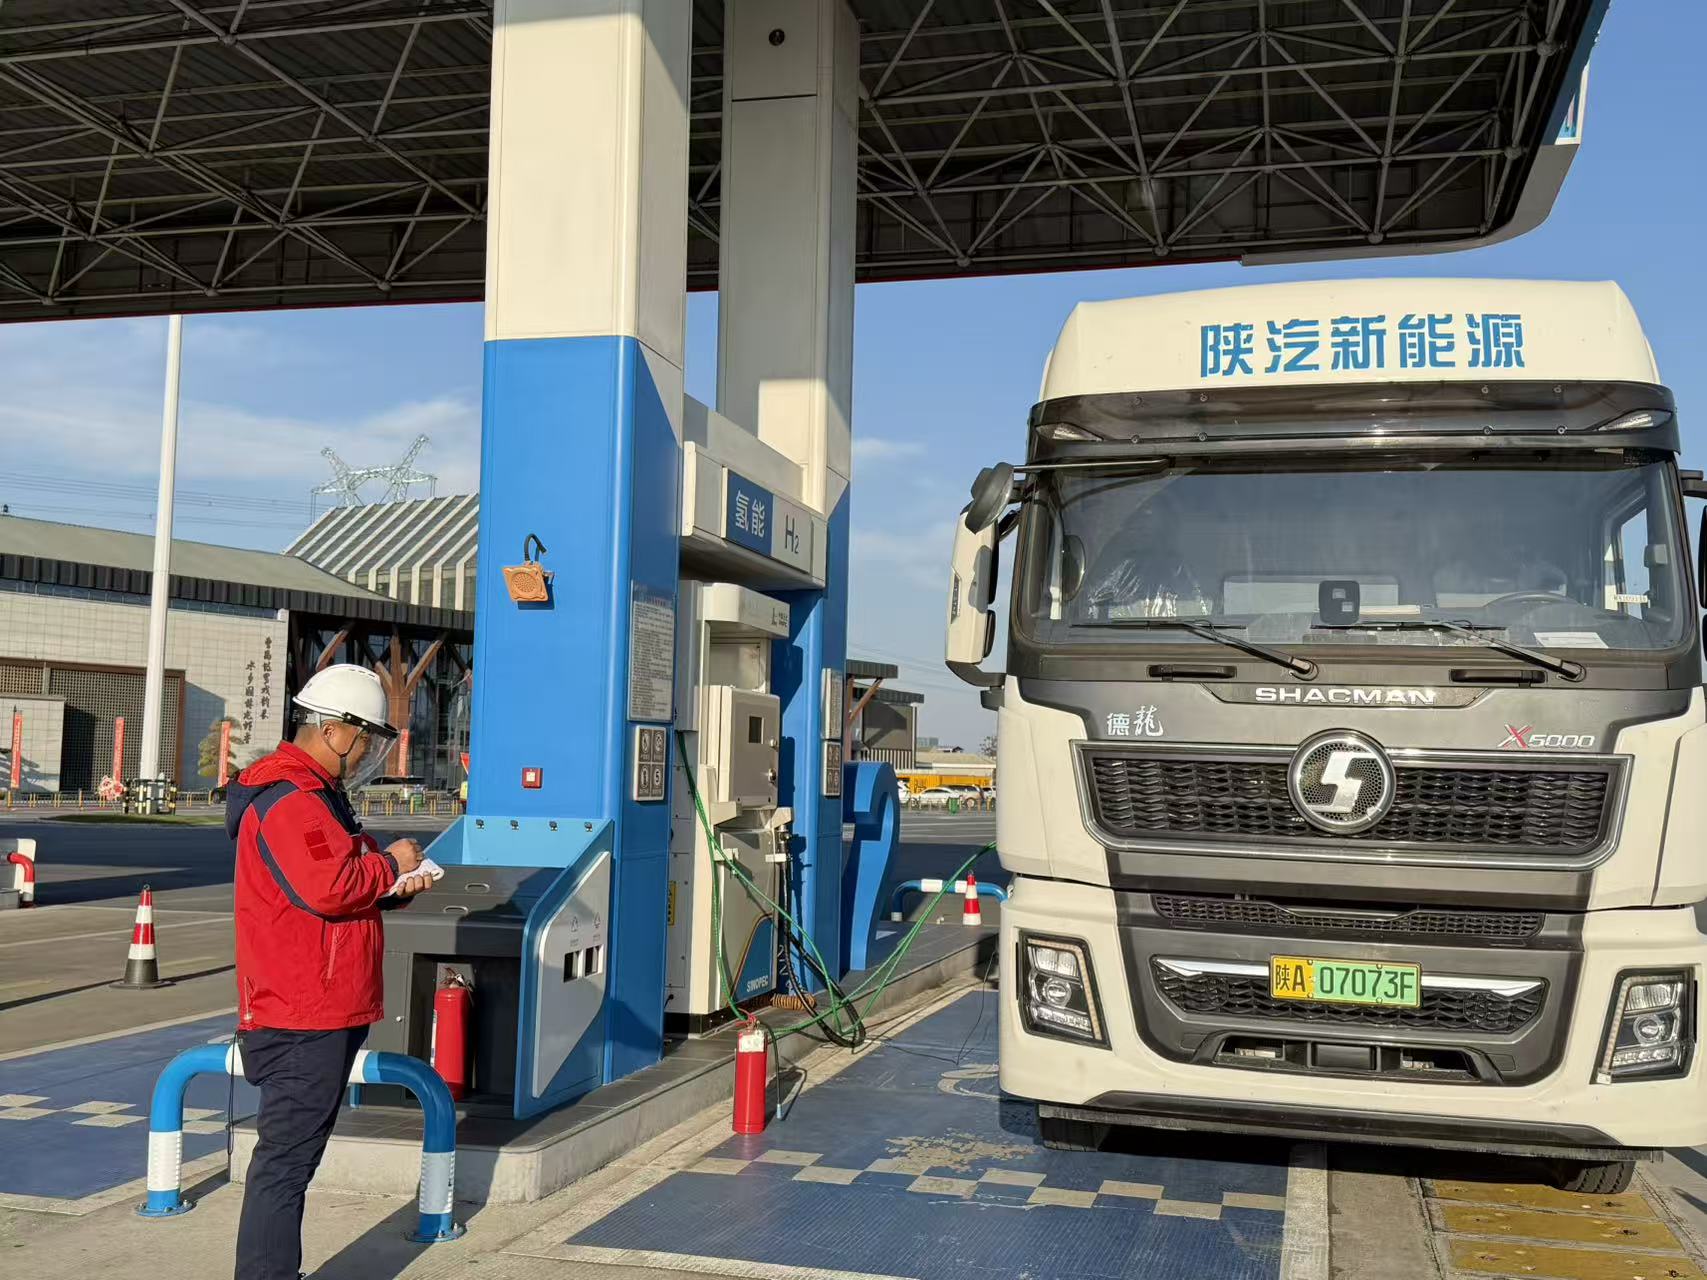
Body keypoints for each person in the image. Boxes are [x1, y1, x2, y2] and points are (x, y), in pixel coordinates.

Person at [224, 664, 437, 1280]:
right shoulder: (293, 799)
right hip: (302, 1011)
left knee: (292, 1159)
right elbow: (329, 884)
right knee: (286, 1164)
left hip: (316, 1002)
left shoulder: (313, 794)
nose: (365, 752)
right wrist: (390, 862)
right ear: (335, 730)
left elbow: (334, 884)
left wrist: (389, 888)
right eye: (365, 739)